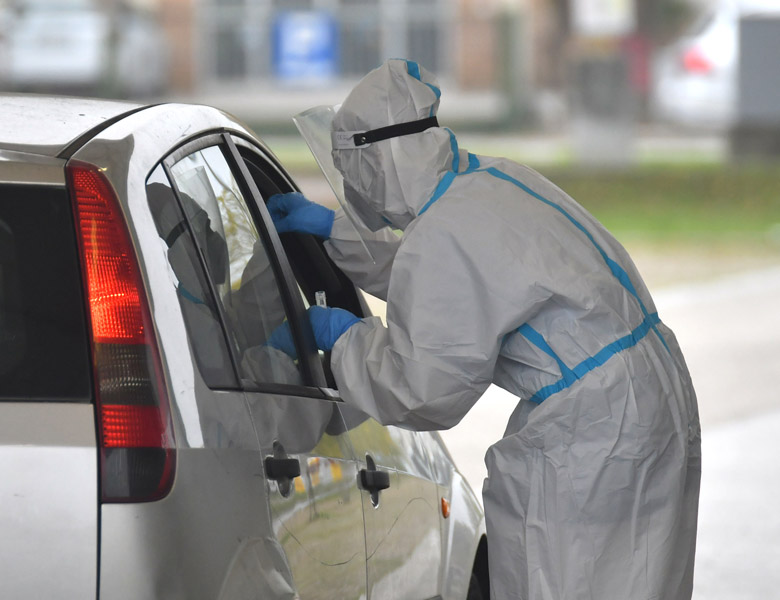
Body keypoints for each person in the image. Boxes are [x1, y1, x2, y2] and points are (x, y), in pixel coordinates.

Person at [267, 59, 700, 600]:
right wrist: (331, 229)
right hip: (640, 397)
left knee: (563, 578)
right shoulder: (489, 181)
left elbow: (424, 389)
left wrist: (340, 339)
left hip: (597, 432)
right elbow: (454, 279)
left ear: (376, 160)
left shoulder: (445, 231)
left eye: (351, 168)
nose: (353, 184)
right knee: (633, 577)